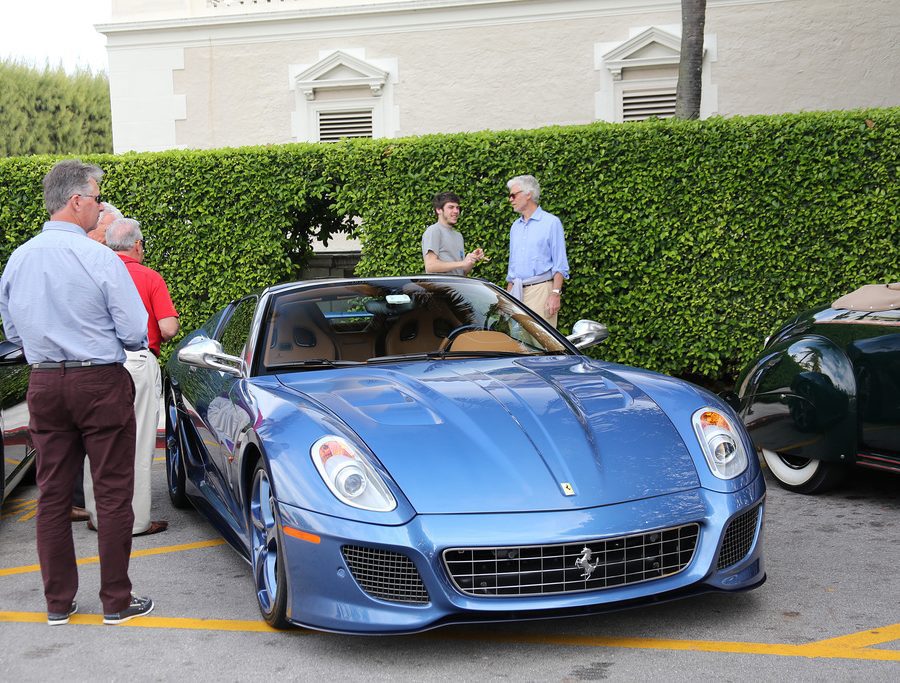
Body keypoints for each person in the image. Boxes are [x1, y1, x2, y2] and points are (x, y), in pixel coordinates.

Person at [0, 159, 155, 626]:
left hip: (45, 381)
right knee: (110, 492)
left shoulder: (19, 258)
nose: (100, 207)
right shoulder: (99, 257)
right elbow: (134, 331)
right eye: (96, 198)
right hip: (98, 379)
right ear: (76, 201)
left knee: (51, 494)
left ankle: (57, 603)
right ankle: (115, 601)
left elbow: (12, 331)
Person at [84, 217, 179, 537]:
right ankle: (136, 521)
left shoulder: (92, 274)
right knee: (137, 441)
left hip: (94, 362)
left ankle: (96, 515)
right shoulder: (149, 276)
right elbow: (167, 328)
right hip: (137, 361)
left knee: (96, 438)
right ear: (137, 245)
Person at [69, 202, 124, 524]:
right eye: (108, 229)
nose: (110, 236)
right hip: (93, 366)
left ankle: (79, 502)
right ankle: (92, 507)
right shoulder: (95, 261)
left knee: (72, 439)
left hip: (62, 367)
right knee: (94, 438)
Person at [505, 175, 569, 328]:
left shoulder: (551, 223)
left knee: (541, 344)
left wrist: (555, 293)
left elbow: (560, 264)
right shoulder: (515, 227)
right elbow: (512, 269)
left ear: (528, 194)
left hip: (541, 291)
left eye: (513, 195)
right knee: (517, 342)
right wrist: (507, 298)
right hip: (517, 293)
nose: (510, 199)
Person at [422, 192, 484, 275]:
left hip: (457, 286)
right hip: (440, 287)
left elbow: (462, 272)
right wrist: (462, 263)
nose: (456, 211)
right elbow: (430, 266)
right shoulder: (434, 230)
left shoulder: (458, 236)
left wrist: (472, 259)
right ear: (438, 210)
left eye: (457, 208)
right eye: (451, 207)